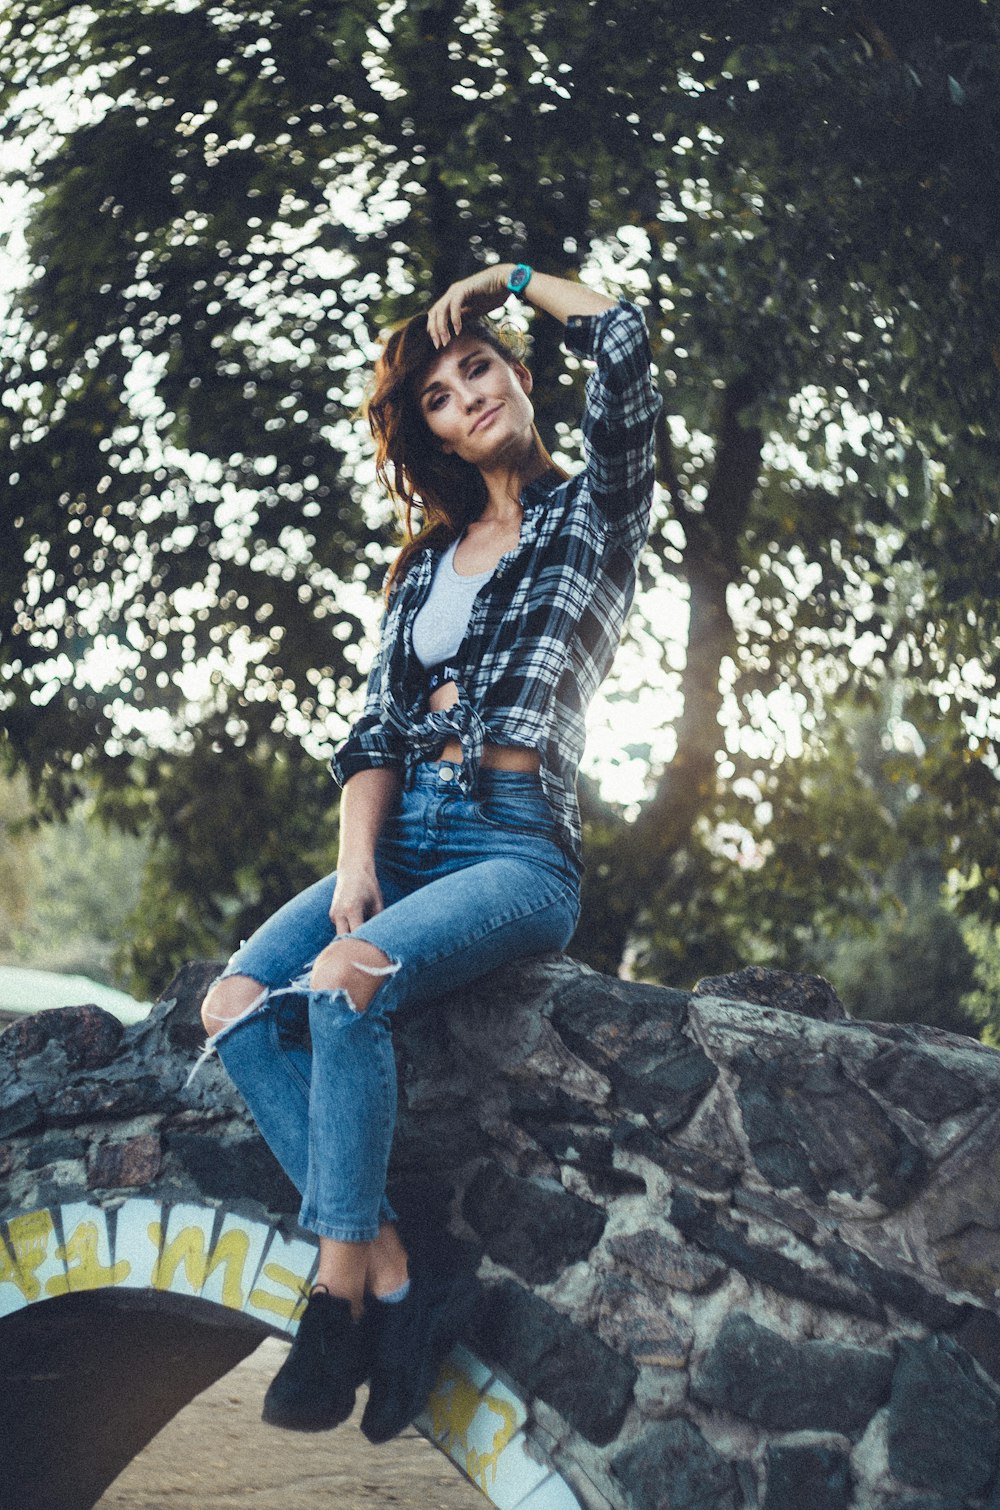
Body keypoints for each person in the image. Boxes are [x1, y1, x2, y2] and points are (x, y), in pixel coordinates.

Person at [196, 259, 662, 1441]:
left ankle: (337, 1292)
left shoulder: (590, 515)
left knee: (347, 991)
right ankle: (395, 1261)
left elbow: (622, 339)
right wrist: (355, 863)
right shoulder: (418, 570)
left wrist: (502, 278)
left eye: (480, 368)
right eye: (446, 395)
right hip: (403, 841)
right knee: (238, 1001)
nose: (469, 394)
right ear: (437, 437)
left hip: (514, 850)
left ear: (514, 379)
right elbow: (372, 736)